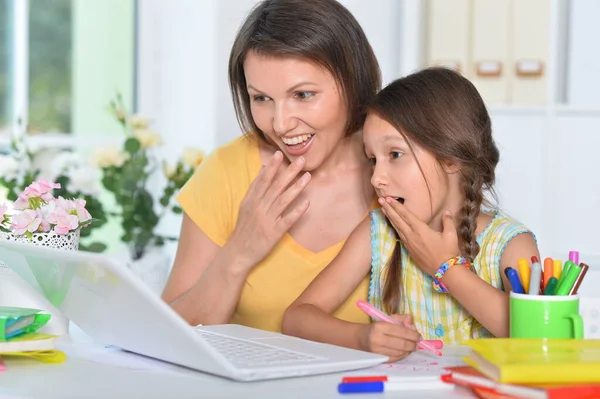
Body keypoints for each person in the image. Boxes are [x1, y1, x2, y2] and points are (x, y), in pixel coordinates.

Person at [282, 67, 540, 362]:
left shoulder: (510, 244)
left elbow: (537, 338)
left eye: (394, 155)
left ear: (450, 158)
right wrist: (362, 338)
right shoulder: (377, 232)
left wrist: (446, 267)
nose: (376, 178)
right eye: (372, 160)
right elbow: (297, 318)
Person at [160, 0, 383, 332]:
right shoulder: (226, 171)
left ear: (353, 81)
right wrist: (240, 251)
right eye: (261, 98)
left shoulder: (403, 168)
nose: (280, 124)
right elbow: (167, 334)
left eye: (303, 95)